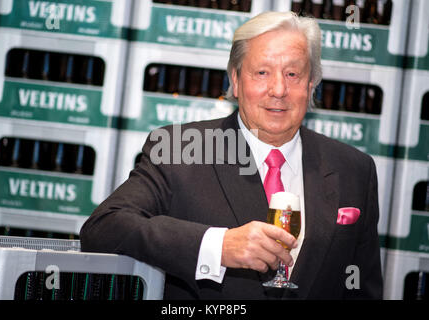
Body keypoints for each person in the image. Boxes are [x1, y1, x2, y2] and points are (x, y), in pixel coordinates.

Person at [80, 11, 383, 299]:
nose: (278, 89)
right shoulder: (181, 148)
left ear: (311, 84)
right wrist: (217, 246)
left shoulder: (354, 170)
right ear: (236, 81)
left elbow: (362, 290)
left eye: (292, 74)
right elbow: (103, 228)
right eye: (262, 73)